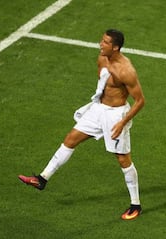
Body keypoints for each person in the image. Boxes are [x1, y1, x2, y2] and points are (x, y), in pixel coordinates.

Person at [18, 29, 145, 220]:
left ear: (116, 47)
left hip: (116, 115)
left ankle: (136, 204)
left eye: (105, 42)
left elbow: (140, 101)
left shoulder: (126, 70)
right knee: (70, 139)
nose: (100, 44)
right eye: (101, 40)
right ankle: (42, 179)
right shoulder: (102, 59)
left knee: (122, 158)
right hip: (98, 109)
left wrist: (122, 123)